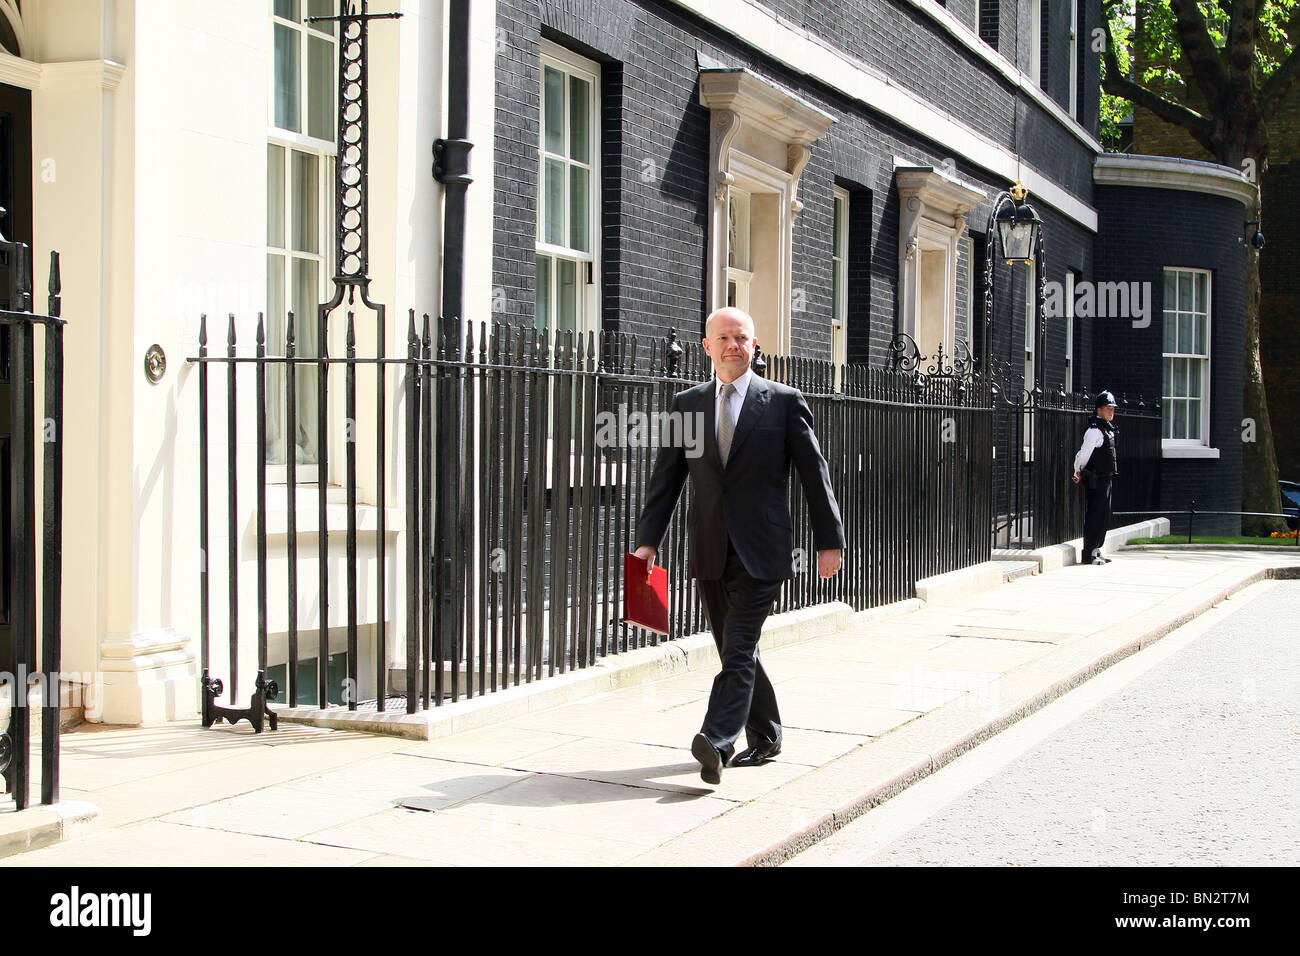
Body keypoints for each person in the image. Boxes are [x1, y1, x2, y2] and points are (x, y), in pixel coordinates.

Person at [632, 307, 844, 785]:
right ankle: (767, 734)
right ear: (707, 347)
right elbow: (666, 480)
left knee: (739, 644)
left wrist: (828, 541)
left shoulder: (784, 402)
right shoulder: (687, 404)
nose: (733, 345)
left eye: (741, 337)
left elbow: (815, 473)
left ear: (755, 345)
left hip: (763, 550)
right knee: (734, 648)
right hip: (709, 547)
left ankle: (718, 738)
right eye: (723, 338)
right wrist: (647, 543)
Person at [1072, 391, 1119, 566]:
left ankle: (1096, 549)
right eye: (1108, 408)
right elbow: (1084, 454)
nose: (1111, 412)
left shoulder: (1106, 428)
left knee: (1104, 515)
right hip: (1096, 479)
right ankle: (1088, 553)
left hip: (1106, 478)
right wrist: (1077, 470)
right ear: (1099, 410)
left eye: (1112, 409)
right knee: (1095, 515)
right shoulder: (1094, 431)